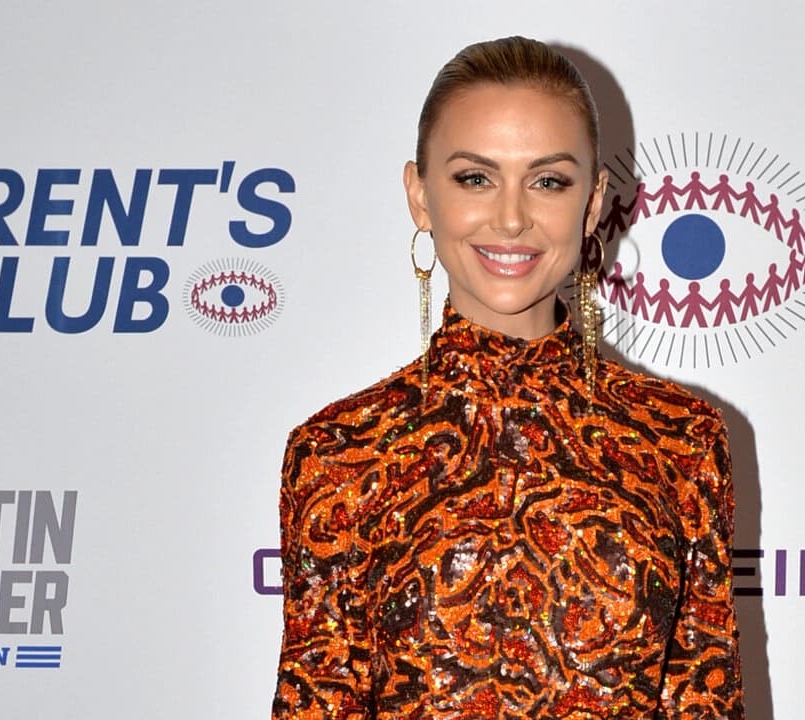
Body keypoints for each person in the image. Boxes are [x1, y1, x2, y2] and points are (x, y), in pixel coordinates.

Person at [272, 36, 744, 719]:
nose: (512, 218)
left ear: (592, 204)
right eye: (475, 178)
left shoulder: (680, 440)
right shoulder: (338, 454)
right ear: (420, 196)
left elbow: (707, 701)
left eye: (548, 181)